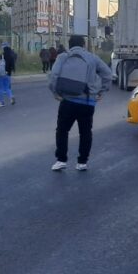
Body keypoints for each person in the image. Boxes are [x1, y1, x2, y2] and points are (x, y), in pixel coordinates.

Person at [49, 35, 112, 172]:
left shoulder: (63, 57)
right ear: (84, 45)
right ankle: (82, 162)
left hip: (68, 101)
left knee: (62, 130)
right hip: (88, 102)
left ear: (69, 45)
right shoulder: (93, 58)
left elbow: (53, 76)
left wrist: (55, 93)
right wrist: (101, 91)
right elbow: (108, 74)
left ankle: (61, 160)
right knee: (85, 132)